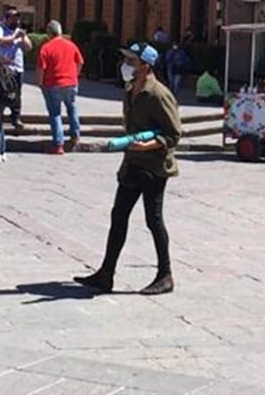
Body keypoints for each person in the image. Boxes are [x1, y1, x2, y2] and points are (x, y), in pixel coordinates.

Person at [73, 43, 182, 295]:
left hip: (154, 166)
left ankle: (165, 275)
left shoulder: (158, 94)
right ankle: (106, 273)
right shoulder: (131, 88)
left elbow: (173, 133)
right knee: (118, 216)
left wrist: (150, 145)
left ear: (145, 65)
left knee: (153, 220)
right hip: (132, 163)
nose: (126, 65)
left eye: (132, 61)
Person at [36, 19, 84, 155]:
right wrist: (75, 75)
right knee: (72, 108)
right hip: (71, 82)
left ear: (49, 33)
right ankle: (75, 135)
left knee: (55, 113)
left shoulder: (46, 47)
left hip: (52, 84)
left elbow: (41, 68)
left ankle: (58, 144)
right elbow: (80, 62)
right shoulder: (71, 45)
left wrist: (40, 83)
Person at [0, 7, 32, 130]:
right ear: (6, 19)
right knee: (0, 92)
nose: (15, 22)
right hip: (3, 68)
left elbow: (29, 47)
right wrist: (14, 37)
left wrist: (23, 38)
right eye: (13, 19)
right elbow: (1, 41)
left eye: (17, 19)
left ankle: (16, 117)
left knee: (17, 93)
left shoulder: (19, 31)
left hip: (17, 68)